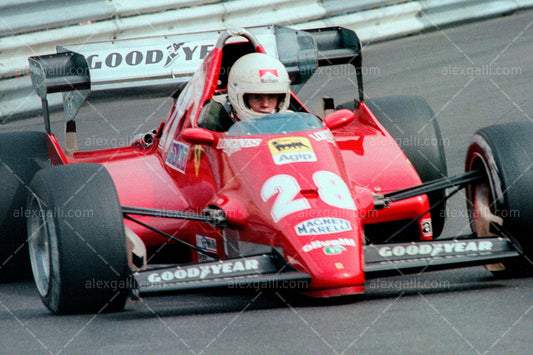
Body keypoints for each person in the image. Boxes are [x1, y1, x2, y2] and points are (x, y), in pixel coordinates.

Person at [198, 52, 291, 131]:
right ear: (243, 98)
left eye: (272, 97)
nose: (265, 104)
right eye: (257, 97)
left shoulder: (290, 120)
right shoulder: (215, 115)